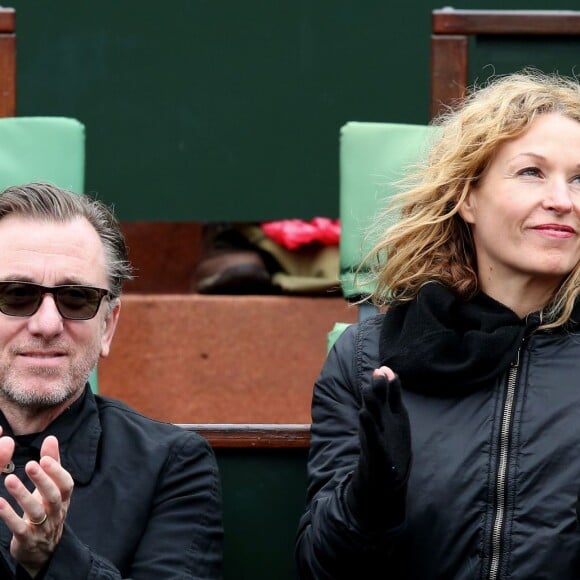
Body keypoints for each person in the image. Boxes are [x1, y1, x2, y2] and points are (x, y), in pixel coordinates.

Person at [295, 69, 580, 579]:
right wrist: (371, 496)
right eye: (531, 173)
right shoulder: (368, 356)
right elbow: (321, 569)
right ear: (467, 198)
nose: (563, 199)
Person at [0, 183, 223, 578]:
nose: (47, 324)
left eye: (77, 299)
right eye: (16, 295)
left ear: (108, 325)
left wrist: (55, 557)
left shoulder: (171, 466)